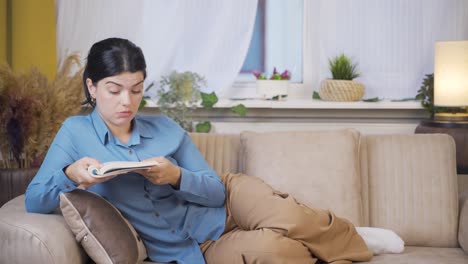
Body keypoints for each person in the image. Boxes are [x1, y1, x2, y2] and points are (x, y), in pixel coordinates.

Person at [25, 38, 387, 264]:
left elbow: (214, 191)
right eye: (114, 89)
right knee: (279, 252)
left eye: (136, 89)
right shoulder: (74, 132)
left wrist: (176, 176)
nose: (127, 101)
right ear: (91, 86)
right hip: (193, 247)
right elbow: (35, 201)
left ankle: (353, 237)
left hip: (229, 202)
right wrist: (70, 175)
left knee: (292, 217)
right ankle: (330, 240)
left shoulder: (165, 128)